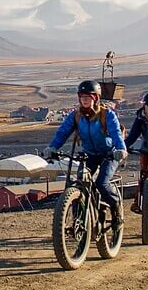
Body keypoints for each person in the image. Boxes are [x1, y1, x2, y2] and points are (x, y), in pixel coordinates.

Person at [44, 79, 127, 213]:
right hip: (89, 155)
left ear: (95, 98)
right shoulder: (76, 116)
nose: (84, 100)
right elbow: (63, 132)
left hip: (109, 155)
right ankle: (79, 221)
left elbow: (116, 133)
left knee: (102, 183)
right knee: (80, 184)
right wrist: (52, 147)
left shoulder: (107, 115)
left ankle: (116, 209)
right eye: (82, 97)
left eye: (88, 97)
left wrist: (121, 149)